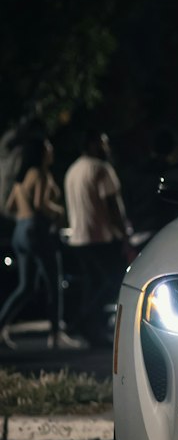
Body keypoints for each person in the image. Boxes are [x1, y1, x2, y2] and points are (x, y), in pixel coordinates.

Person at [63, 128, 131, 348]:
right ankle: (86, 323)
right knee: (110, 283)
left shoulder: (72, 170)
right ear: (93, 144)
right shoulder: (102, 169)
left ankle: (91, 330)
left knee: (92, 285)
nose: (107, 148)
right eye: (103, 143)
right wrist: (124, 234)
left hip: (78, 237)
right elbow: (113, 206)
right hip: (100, 237)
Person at [0, 136, 66, 349]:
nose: (52, 150)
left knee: (25, 286)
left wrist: (24, 218)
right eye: (48, 147)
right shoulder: (40, 173)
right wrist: (58, 212)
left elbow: (9, 208)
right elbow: (40, 203)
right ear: (40, 153)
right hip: (36, 230)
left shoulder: (21, 179)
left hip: (20, 231)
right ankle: (56, 335)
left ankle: (1, 326)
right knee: (54, 282)